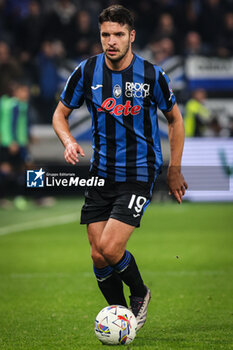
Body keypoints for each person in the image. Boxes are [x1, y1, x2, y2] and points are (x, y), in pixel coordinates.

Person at [52, 5, 187, 331]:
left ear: (132, 36)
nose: (111, 41)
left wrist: (174, 169)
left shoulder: (152, 74)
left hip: (139, 171)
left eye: (118, 35)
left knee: (112, 248)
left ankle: (140, 293)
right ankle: (121, 317)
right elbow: (60, 115)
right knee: (98, 255)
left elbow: (175, 120)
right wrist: (68, 141)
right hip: (101, 173)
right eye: (105, 35)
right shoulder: (86, 72)